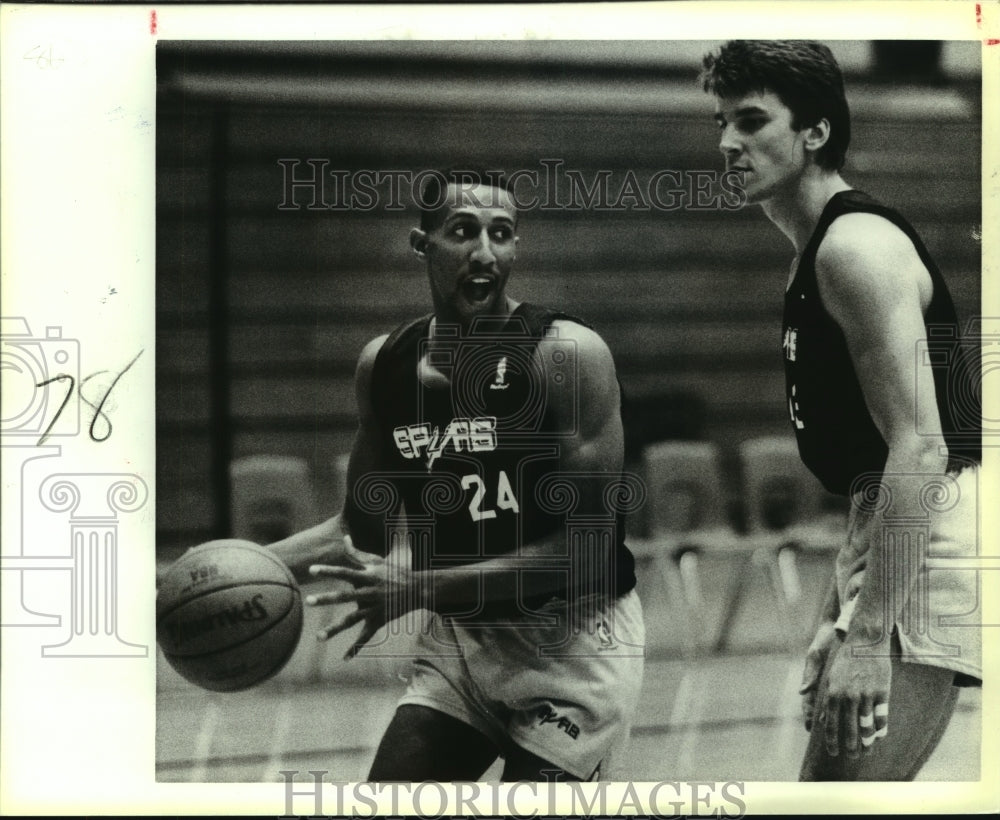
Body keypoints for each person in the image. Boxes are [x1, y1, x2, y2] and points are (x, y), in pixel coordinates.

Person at [267, 169, 645, 782]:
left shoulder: (564, 355)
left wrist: (418, 588)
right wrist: (235, 564)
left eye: (502, 234)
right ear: (423, 244)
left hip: (572, 643)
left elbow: (588, 546)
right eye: (463, 231)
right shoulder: (385, 366)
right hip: (463, 642)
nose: (485, 252)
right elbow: (358, 528)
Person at [700, 40, 982, 780]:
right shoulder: (815, 252)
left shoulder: (853, 249)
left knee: (836, 797)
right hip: (892, 523)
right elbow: (872, 473)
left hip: (935, 529)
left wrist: (867, 637)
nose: (729, 141)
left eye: (753, 120)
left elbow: (919, 450)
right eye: (723, 121)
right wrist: (839, 613)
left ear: (815, 131)